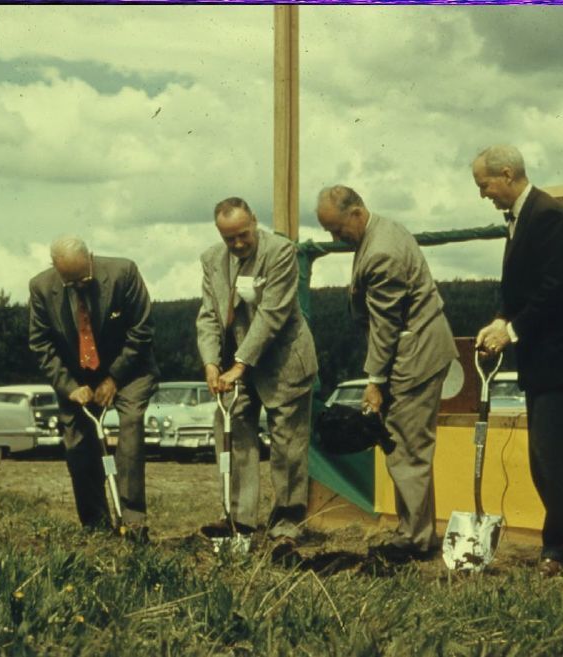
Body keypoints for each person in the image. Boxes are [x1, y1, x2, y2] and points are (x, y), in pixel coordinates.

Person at [472, 145, 563, 576]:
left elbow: (555, 289)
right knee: (550, 458)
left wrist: (510, 332)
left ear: (507, 174)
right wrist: (499, 319)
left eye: (484, 185)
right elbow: (519, 287)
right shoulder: (524, 216)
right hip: (547, 355)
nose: (483, 194)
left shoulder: (547, 216)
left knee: (551, 457)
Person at [315, 185, 458, 562]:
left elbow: (385, 325)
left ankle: (416, 539)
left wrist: (375, 382)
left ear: (356, 213)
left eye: (337, 229)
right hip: (416, 349)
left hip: (415, 356)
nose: (335, 239)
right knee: (406, 444)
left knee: (406, 447)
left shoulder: (381, 252)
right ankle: (414, 531)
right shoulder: (384, 229)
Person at [195, 197, 318, 542]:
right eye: (228, 238)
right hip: (236, 364)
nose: (237, 244)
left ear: (254, 221)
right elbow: (208, 315)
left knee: (288, 446)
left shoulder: (281, 252)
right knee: (231, 430)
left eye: (242, 235)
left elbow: (271, 315)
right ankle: (239, 520)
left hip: (283, 362)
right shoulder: (212, 260)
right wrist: (211, 362)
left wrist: (239, 365)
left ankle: (287, 522)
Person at [29, 237, 159, 540]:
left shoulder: (123, 273)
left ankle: (133, 522)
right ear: (55, 268)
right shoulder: (40, 287)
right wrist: (69, 387)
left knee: (130, 427)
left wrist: (113, 379)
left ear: (90, 258)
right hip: (77, 376)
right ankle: (96, 525)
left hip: (129, 369)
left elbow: (141, 331)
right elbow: (40, 344)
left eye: (83, 279)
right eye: (69, 282)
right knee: (77, 444)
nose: (78, 286)